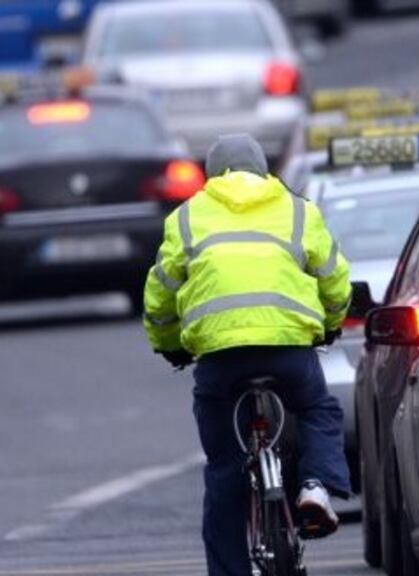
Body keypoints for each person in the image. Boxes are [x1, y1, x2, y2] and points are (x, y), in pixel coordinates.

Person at [142, 134, 352, 576]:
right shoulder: (298, 210)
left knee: (223, 469)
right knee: (317, 408)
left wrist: (169, 344)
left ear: (212, 175)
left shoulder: (187, 218)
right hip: (287, 350)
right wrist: (331, 323)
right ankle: (315, 486)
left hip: (221, 356)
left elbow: (160, 296)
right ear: (263, 169)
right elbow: (335, 280)